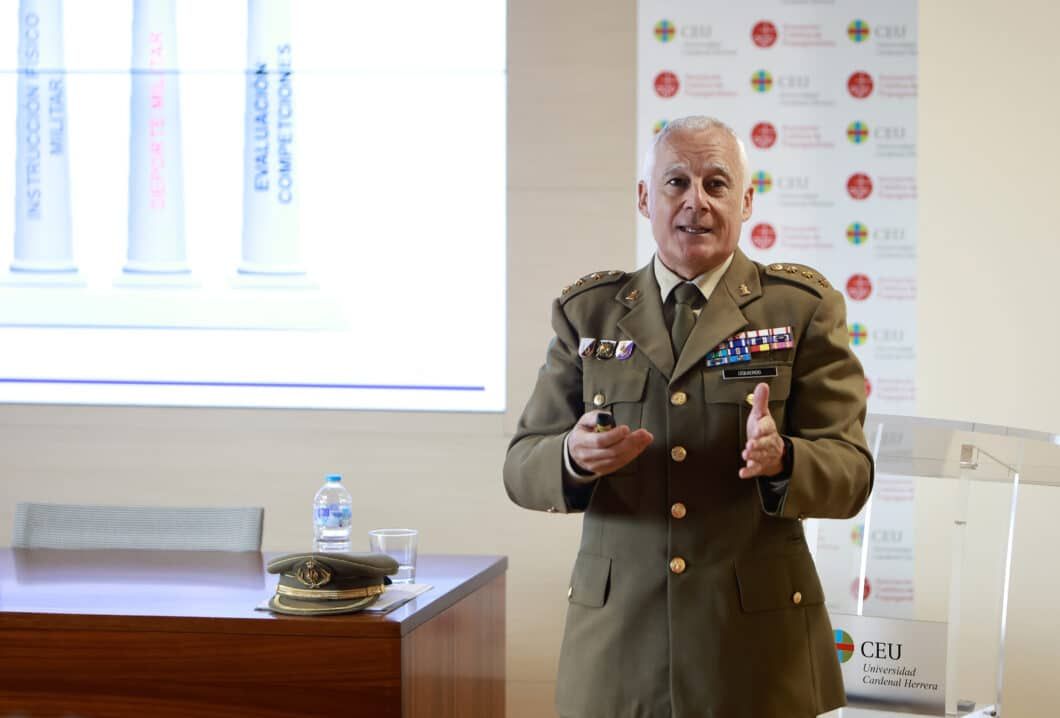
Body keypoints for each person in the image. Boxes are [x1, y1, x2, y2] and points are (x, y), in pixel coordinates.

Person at [503, 116, 874, 718]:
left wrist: (785, 459)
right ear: (644, 198)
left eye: (716, 184)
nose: (695, 201)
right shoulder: (588, 313)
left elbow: (851, 472)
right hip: (619, 649)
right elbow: (522, 464)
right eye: (676, 182)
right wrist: (572, 456)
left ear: (746, 202)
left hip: (756, 652)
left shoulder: (802, 309)